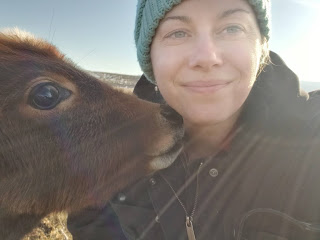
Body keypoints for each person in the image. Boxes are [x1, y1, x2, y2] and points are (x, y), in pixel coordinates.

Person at [67, 0, 320, 239]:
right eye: (178, 33)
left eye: (232, 28)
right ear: (149, 59)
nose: (206, 57)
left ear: (261, 46)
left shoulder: (311, 145)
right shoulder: (111, 151)